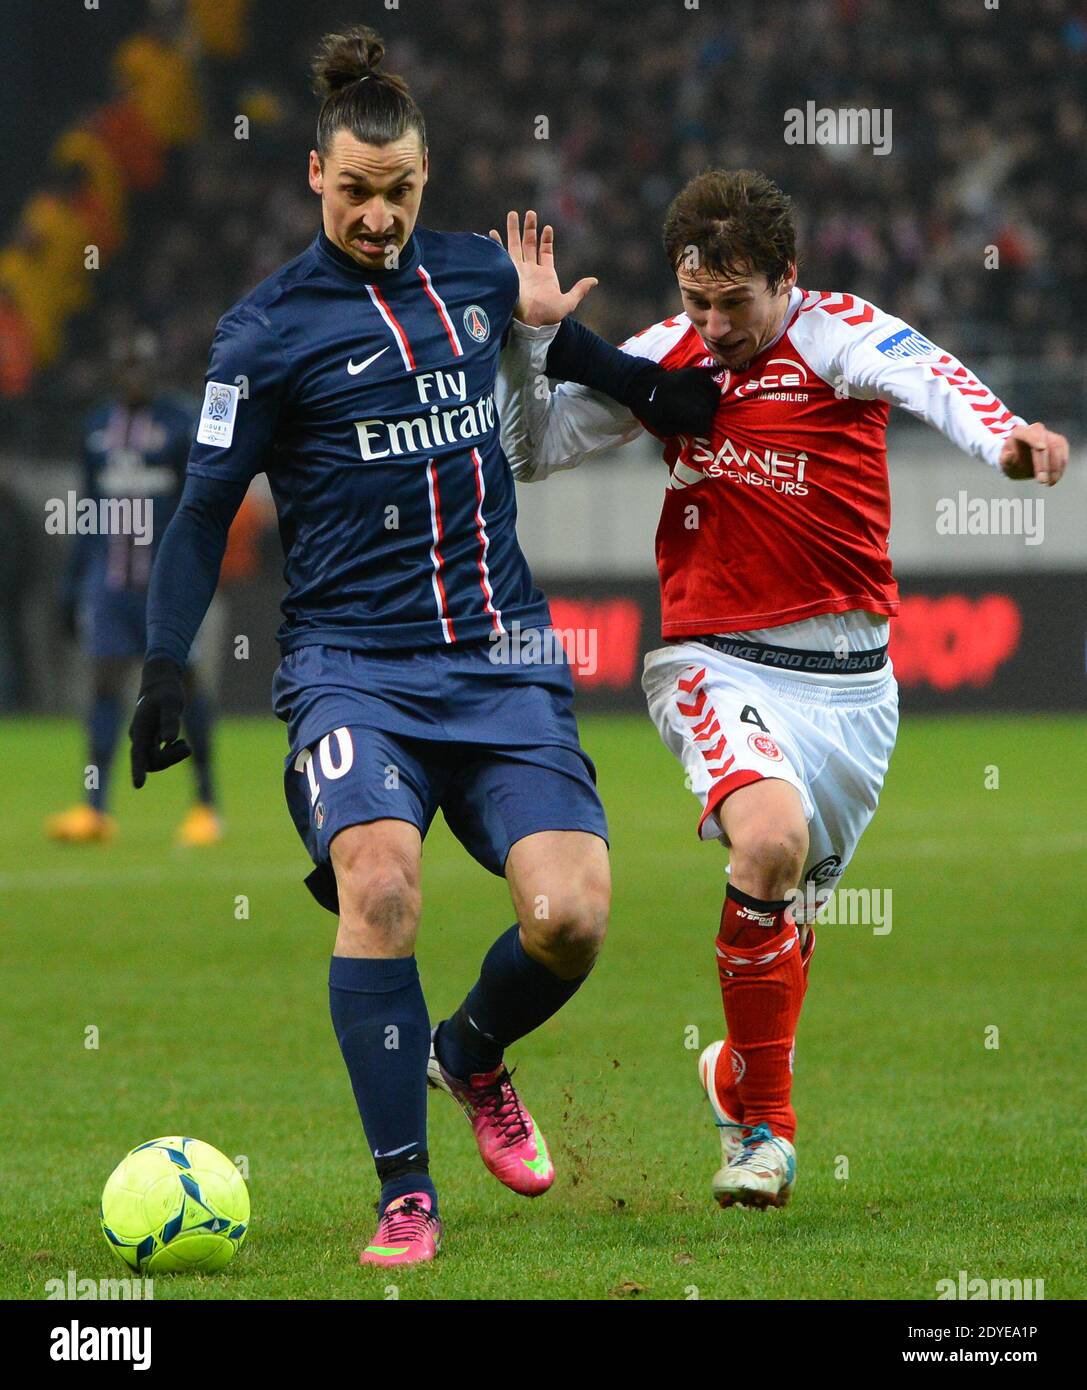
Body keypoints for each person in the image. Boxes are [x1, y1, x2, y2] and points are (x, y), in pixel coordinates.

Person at [127, 26, 718, 1267]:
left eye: (398, 192)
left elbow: (580, 362)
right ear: (313, 175)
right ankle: (406, 1190)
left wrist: (666, 392)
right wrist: (165, 661)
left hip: (501, 657)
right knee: (380, 882)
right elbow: (197, 512)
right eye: (354, 191)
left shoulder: (474, 277)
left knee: (572, 919)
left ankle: (471, 1053)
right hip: (352, 665)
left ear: (426, 179)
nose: (378, 216)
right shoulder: (263, 332)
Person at [495, 170, 1069, 1210]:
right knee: (767, 840)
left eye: (734, 303)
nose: (711, 326)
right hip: (714, 658)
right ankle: (767, 1129)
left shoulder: (839, 334)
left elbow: (935, 377)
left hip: (854, 694)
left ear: (786, 279)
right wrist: (530, 343)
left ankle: (737, 1074)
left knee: (786, 920)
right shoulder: (671, 354)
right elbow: (532, 453)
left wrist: (1006, 441)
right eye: (696, 300)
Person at [47, 330, 221, 847]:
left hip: (165, 587)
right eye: (124, 366)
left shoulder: (180, 422)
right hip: (110, 584)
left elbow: (202, 506)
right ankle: (95, 807)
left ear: (155, 368)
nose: (133, 375)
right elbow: (87, 509)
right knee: (103, 688)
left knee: (184, 688)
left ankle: (205, 805)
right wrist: (73, 584)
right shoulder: (98, 425)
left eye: (140, 365)